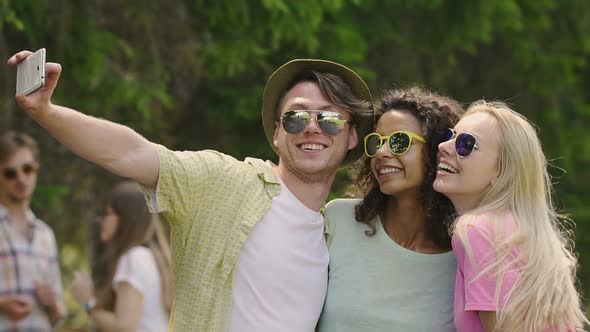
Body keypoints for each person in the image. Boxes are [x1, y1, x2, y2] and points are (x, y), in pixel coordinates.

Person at [8, 51, 374, 331]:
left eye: (329, 118)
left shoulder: (338, 230)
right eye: (296, 116)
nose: (312, 128)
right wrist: (47, 112)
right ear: (277, 133)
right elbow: (132, 151)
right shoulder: (225, 182)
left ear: (352, 135)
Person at [434, 101, 588, 331]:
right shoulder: (526, 235)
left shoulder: (477, 230)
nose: (443, 146)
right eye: (449, 135)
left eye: (465, 144)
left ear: (502, 170)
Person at [318, 87, 463, 331]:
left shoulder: (462, 257)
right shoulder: (339, 220)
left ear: (437, 150)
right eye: (377, 142)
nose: (382, 153)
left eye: (399, 142)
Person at [71, 181, 172, 332]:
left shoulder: (133, 258)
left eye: (107, 213)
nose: (100, 220)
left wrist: (88, 302)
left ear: (126, 218)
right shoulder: (149, 257)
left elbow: (125, 328)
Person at [0, 131, 66, 331]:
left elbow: (59, 315)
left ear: (36, 170)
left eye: (27, 169)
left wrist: (52, 304)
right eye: (10, 173)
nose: (21, 178)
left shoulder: (45, 234)